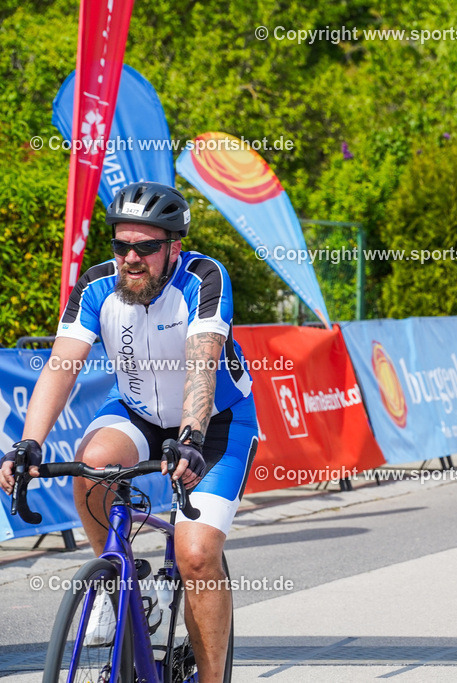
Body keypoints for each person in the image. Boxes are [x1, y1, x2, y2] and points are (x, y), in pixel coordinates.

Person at [0, 181, 256, 683]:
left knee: (197, 556)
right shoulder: (96, 286)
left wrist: (191, 438)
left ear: (173, 248)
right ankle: (118, 588)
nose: (131, 258)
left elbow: (203, 361)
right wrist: (27, 443)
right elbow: (61, 365)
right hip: (137, 411)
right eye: (122, 245)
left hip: (217, 422)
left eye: (146, 247)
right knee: (90, 466)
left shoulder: (204, 277)